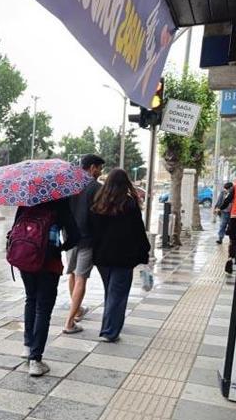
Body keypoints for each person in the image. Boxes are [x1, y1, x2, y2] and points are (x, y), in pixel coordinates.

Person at [13, 199, 79, 376]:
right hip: (49, 263)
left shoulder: (26, 200)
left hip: (25, 259)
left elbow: (15, 229)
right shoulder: (60, 202)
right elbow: (74, 236)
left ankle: (27, 347)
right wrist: (59, 246)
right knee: (43, 308)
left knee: (31, 299)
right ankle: (35, 359)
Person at [90, 169, 151, 343]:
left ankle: (108, 325)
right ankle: (109, 331)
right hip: (124, 257)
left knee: (110, 291)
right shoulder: (129, 204)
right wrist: (144, 252)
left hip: (102, 256)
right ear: (126, 183)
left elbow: (93, 231)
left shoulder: (99, 202)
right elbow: (138, 231)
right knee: (118, 294)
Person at [63, 154, 105, 334]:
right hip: (87, 239)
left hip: (70, 237)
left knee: (72, 274)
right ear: (93, 167)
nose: (101, 172)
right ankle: (70, 322)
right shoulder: (97, 187)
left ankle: (78, 310)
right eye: (100, 168)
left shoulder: (70, 186)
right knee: (81, 278)